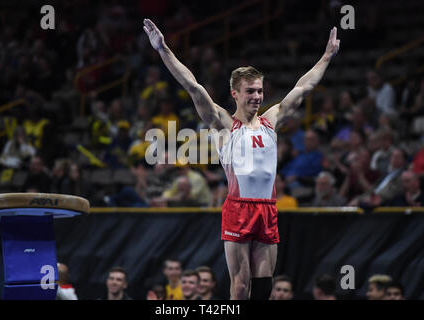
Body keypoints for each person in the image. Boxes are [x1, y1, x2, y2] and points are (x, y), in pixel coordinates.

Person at [143, 19, 340, 300]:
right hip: (238, 209)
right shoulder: (224, 124)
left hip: (267, 208)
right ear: (235, 93)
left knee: (264, 285)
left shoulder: (271, 120)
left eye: (260, 91)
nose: (257, 97)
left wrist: (327, 56)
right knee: (240, 284)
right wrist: (163, 50)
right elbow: (193, 86)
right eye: (250, 91)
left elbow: (303, 88)